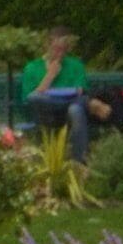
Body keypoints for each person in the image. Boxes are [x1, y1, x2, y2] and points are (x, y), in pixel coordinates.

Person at [19, 28, 98, 162]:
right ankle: (75, 103)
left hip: (67, 114)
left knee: (76, 110)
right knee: (35, 97)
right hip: (44, 114)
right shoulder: (32, 68)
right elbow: (29, 99)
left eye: (63, 49)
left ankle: (79, 163)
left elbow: (80, 91)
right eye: (56, 49)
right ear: (47, 46)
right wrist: (50, 75)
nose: (60, 54)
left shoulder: (75, 65)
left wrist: (73, 96)